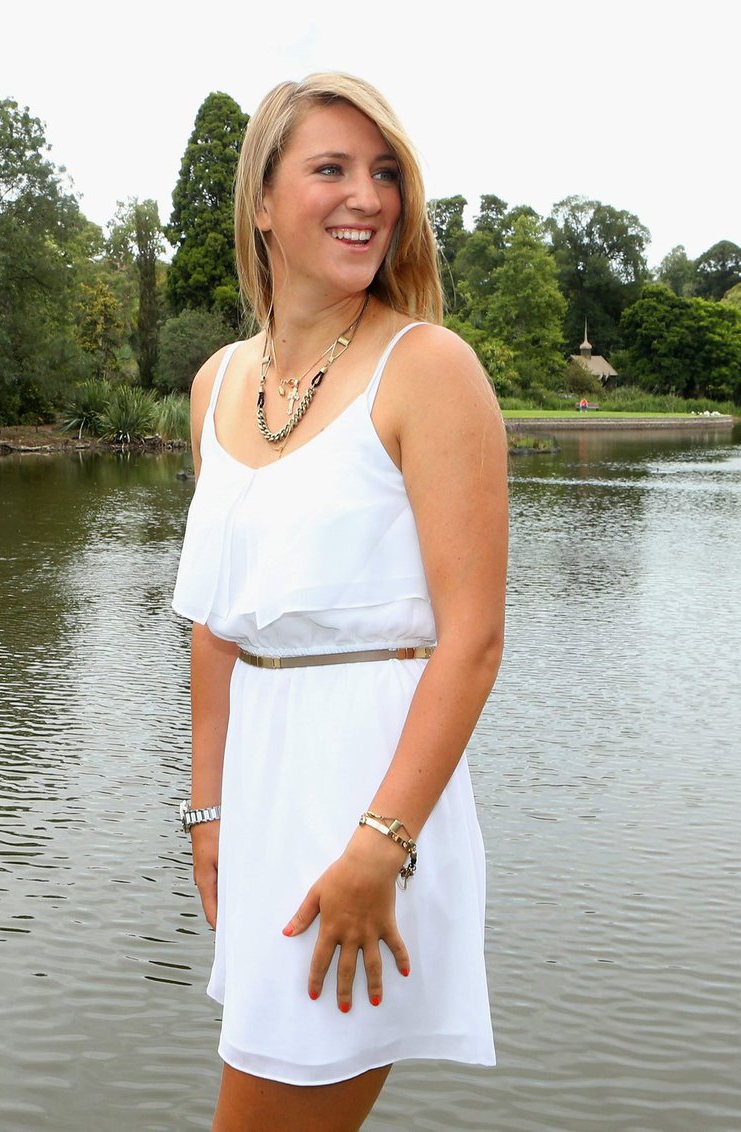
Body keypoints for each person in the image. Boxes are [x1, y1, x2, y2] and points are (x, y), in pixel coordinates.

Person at [171, 73, 507, 1130]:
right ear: (263, 202)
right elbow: (218, 626)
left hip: (367, 813)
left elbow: (475, 641)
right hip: (264, 802)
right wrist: (208, 810)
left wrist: (380, 845)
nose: (368, 196)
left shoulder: (430, 369)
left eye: (385, 173)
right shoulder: (217, 381)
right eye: (331, 168)